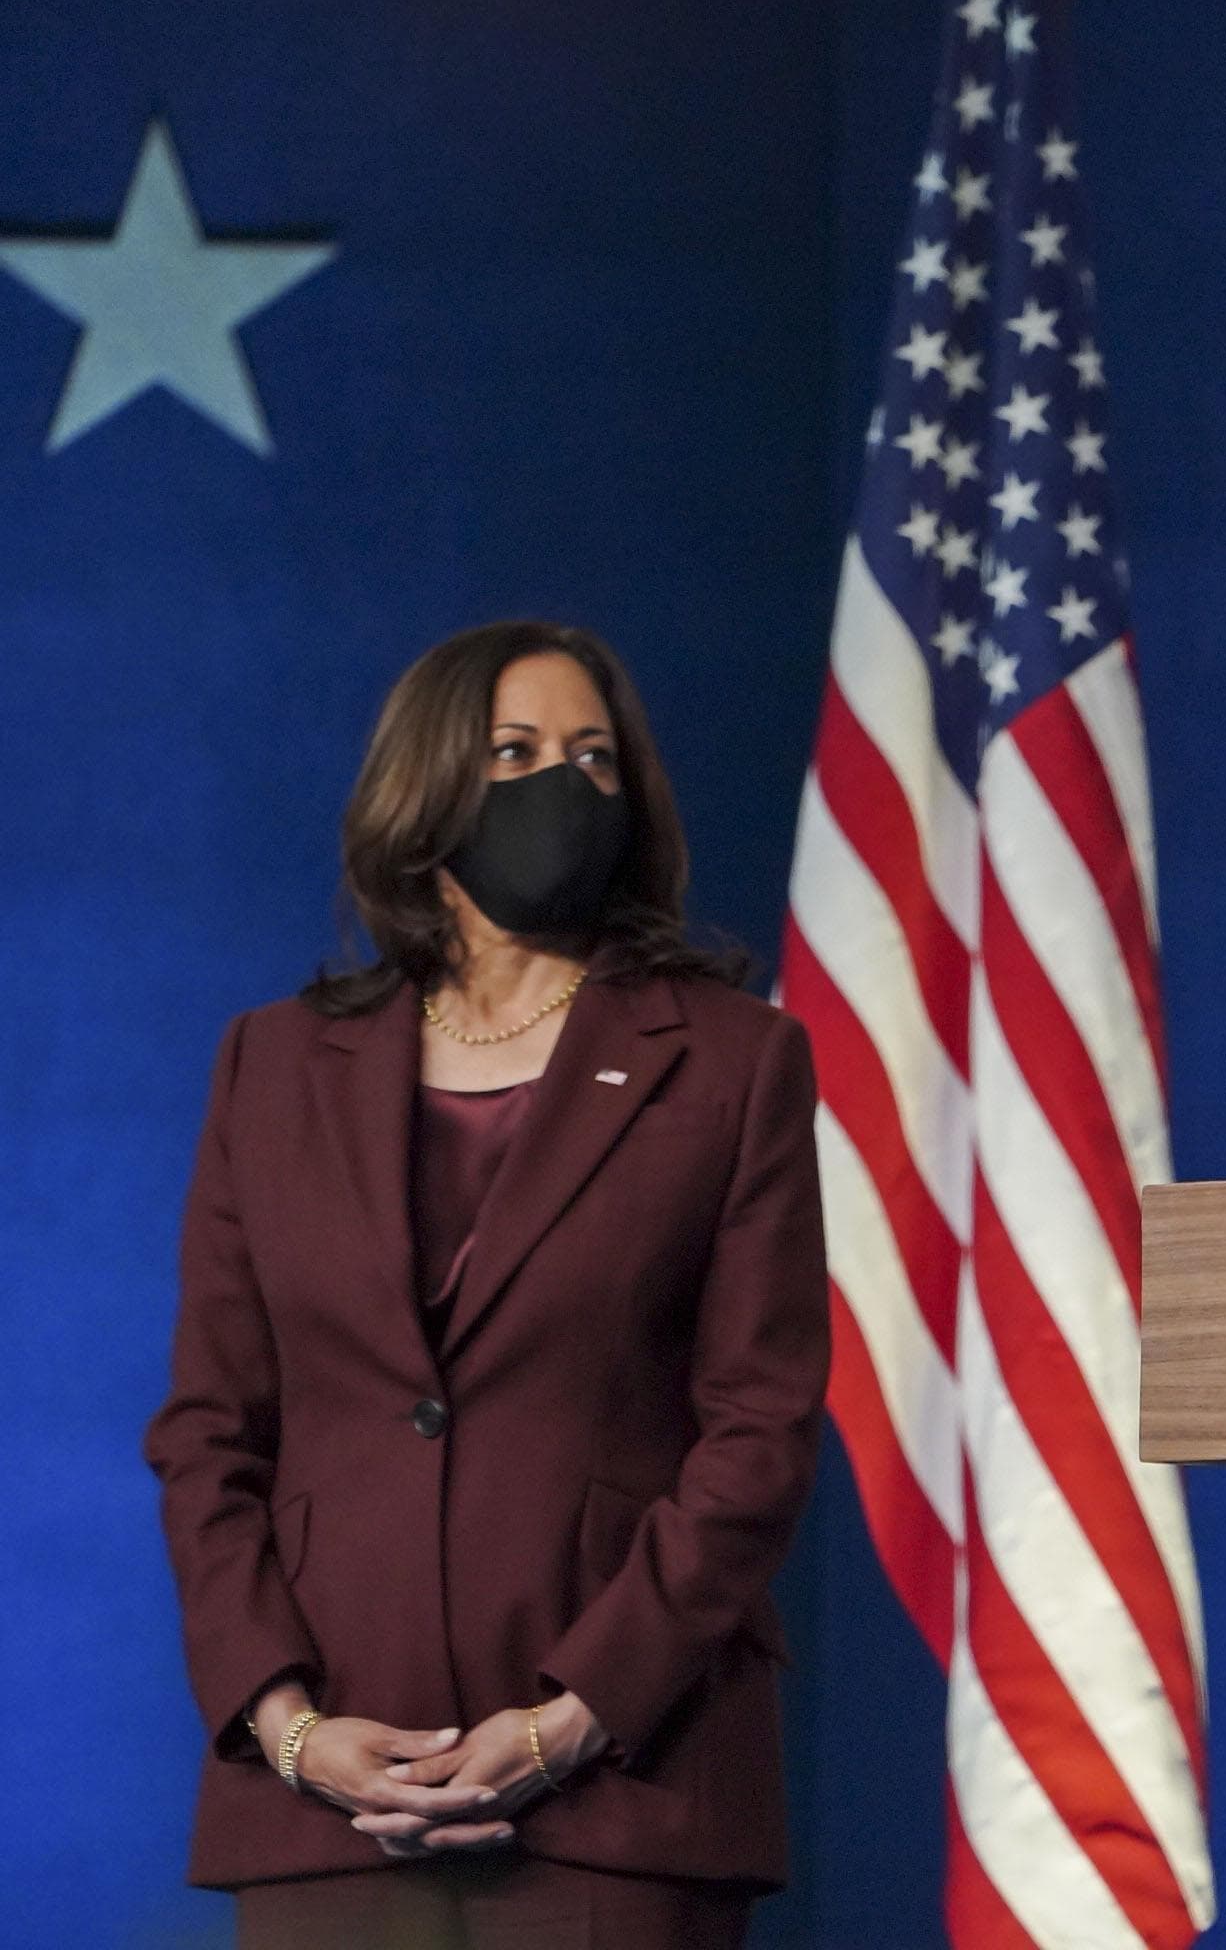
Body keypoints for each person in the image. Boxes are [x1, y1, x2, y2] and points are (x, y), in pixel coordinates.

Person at [146, 622, 829, 1947]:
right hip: (327, 1805)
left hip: (624, 1797)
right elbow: (207, 1435)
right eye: (513, 753)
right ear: (426, 788)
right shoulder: (272, 1067)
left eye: (593, 758)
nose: (558, 786)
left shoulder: (737, 1064)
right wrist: (286, 1728)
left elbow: (760, 1433)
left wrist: (576, 1716)